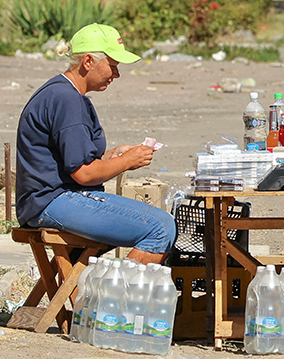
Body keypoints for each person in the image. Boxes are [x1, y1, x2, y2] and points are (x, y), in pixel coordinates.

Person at [15, 24, 176, 264]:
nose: (116, 75)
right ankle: (117, 298)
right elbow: (84, 173)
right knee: (161, 227)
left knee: (155, 223)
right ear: (88, 61)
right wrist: (125, 162)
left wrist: (113, 155)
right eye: (112, 66)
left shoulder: (63, 93)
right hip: (51, 201)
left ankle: (96, 290)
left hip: (45, 200)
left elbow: (72, 159)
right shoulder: (67, 100)